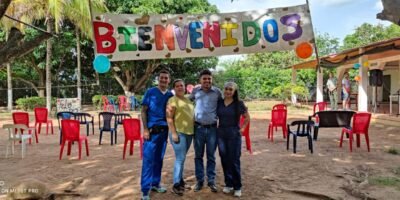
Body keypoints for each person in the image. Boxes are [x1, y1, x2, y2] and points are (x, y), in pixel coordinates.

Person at [140, 69, 173, 200]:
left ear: (169, 80)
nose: (164, 80)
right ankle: (145, 190)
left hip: (164, 133)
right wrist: (145, 129)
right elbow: (143, 111)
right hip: (151, 132)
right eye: (162, 78)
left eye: (166, 78)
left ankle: (155, 183)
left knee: (159, 159)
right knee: (148, 160)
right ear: (158, 79)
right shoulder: (150, 92)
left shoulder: (170, 95)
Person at [189, 69, 222, 193]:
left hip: (213, 129)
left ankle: (211, 181)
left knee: (211, 156)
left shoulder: (217, 92)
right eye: (204, 79)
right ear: (200, 80)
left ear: (211, 79)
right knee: (198, 156)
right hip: (198, 129)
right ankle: (199, 181)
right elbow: (186, 102)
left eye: (209, 78)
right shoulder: (195, 91)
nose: (207, 81)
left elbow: (224, 105)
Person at [217, 82, 250, 198]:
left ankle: (237, 186)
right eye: (226, 89)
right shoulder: (219, 102)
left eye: (230, 89)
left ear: (234, 91)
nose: (228, 91)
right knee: (224, 159)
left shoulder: (239, 104)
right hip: (221, 133)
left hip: (234, 133)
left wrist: (242, 129)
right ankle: (228, 183)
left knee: (234, 160)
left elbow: (247, 117)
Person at [166, 79, 194, 196]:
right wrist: (173, 133)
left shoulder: (188, 99)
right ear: (174, 88)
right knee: (180, 158)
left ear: (185, 87)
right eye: (177, 86)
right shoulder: (172, 100)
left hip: (189, 133)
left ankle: (180, 181)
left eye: (181, 85)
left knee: (182, 158)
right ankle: (176, 184)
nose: (180, 87)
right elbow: (169, 118)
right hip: (178, 133)